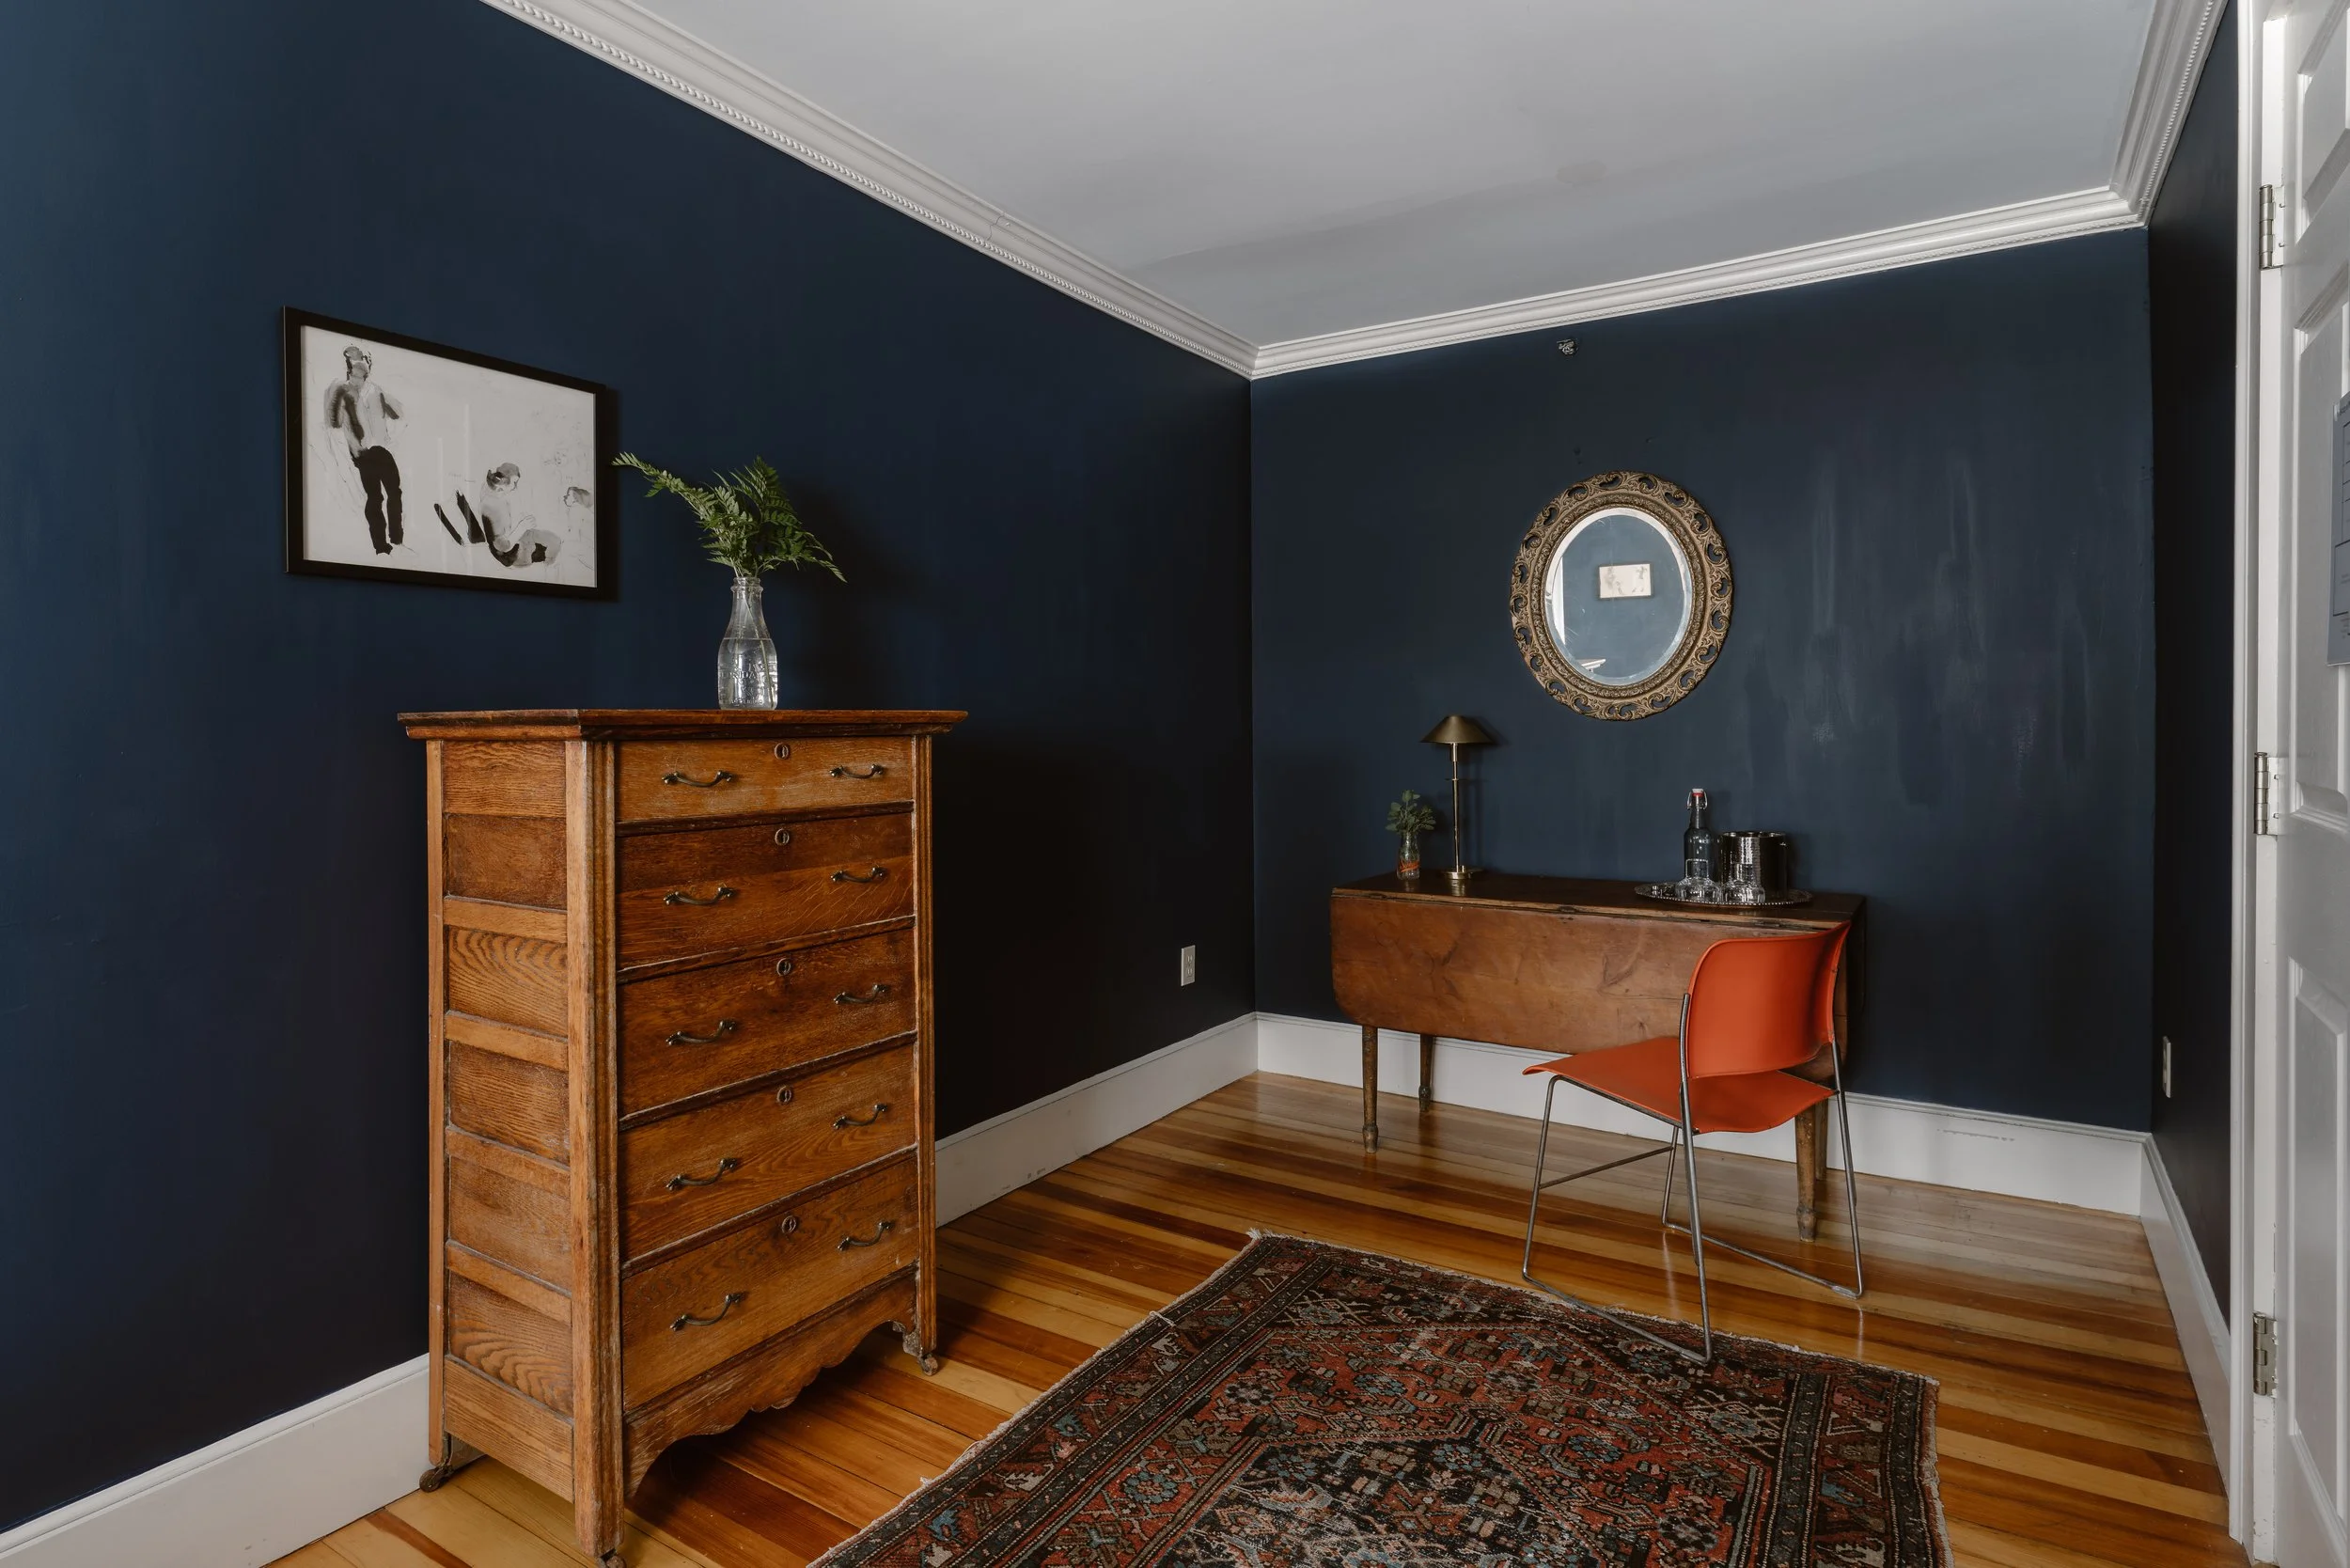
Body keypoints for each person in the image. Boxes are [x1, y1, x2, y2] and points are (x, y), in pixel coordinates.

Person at [322, 346, 403, 554]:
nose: (359, 375)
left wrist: (389, 437)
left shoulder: (376, 390)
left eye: (363, 369)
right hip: (363, 453)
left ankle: (396, 537)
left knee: (394, 492)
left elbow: (397, 413)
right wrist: (353, 446)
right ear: (349, 369)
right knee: (376, 498)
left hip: (382, 449)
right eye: (354, 368)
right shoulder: (342, 391)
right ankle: (381, 546)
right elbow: (334, 422)